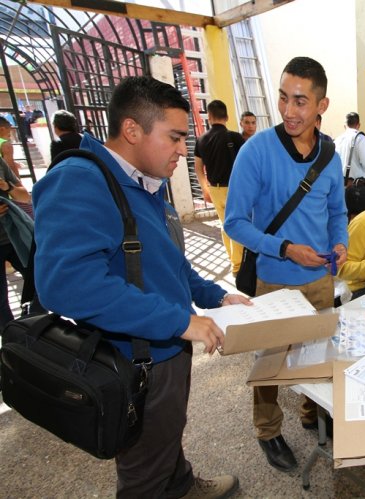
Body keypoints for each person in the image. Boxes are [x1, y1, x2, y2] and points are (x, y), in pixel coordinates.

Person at [33, 76, 248, 499]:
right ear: (132, 129)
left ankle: (180, 484)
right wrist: (179, 320)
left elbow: (166, 262)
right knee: (142, 471)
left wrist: (214, 294)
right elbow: (67, 284)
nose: (182, 151)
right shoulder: (82, 179)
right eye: (173, 137)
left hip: (165, 347)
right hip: (136, 358)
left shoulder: (144, 181)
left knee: (166, 434)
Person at [224, 56, 348, 473]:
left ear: (321, 106)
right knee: (270, 363)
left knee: (317, 354)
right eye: (283, 98)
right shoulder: (255, 150)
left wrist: (341, 243)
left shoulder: (330, 155)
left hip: (320, 279)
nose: (289, 111)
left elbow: (337, 212)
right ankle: (268, 430)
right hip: (275, 280)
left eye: (300, 101)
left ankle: (313, 412)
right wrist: (284, 248)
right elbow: (235, 222)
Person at [194, 100, 246, 277]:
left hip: (214, 189)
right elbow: (246, 166)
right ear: (227, 117)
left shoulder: (201, 139)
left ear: (209, 117)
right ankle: (238, 266)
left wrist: (204, 187)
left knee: (225, 225)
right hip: (235, 188)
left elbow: (198, 167)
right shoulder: (236, 138)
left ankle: (234, 261)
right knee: (238, 224)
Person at [0, 154, 32, 328]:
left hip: (13, 237)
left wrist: (7, 186)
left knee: (37, 280)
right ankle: (12, 341)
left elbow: (24, 196)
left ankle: (33, 328)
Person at [333, 111, 365, 184]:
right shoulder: (360, 138)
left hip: (340, 183)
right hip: (356, 185)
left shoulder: (337, 140)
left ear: (345, 125)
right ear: (358, 125)